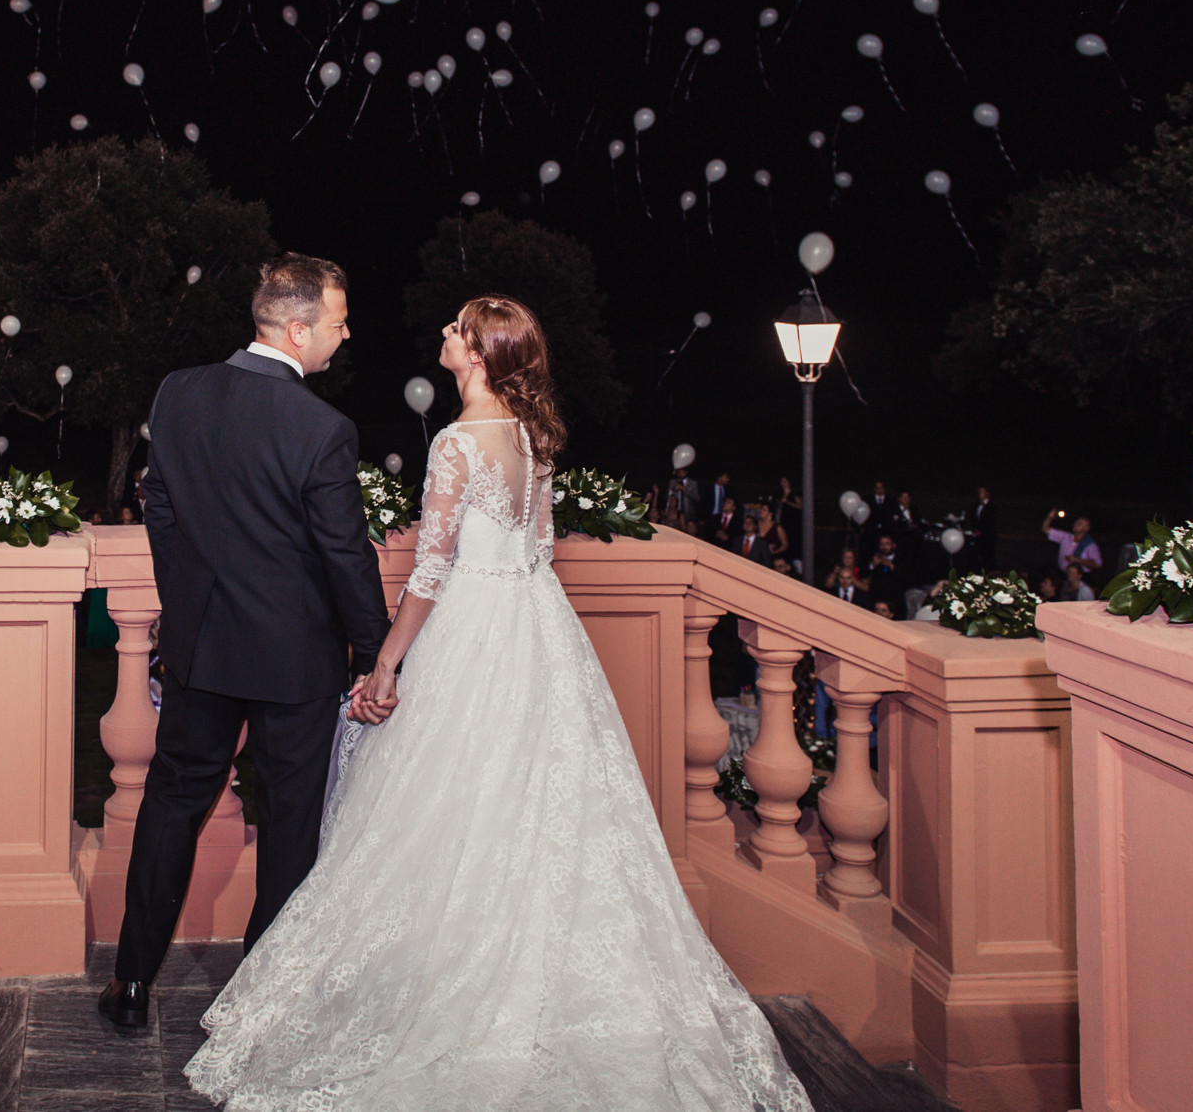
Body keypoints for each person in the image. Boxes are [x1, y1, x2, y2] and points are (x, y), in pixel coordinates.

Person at [183, 294, 812, 1111]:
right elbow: (540, 549)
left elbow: (432, 573)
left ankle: (456, 984)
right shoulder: (531, 436)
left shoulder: (456, 443)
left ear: (477, 353)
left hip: (472, 627)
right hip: (534, 627)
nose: (441, 335)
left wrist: (386, 664)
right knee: (531, 809)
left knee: (446, 811)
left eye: (454, 330)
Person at [102, 253, 392, 1031]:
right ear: (297, 330)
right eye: (336, 321)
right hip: (294, 661)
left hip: (201, 648)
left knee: (170, 807)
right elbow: (344, 554)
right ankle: (255, 1006)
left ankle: (130, 984)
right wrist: (377, 650)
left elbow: (157, 501)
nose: (344, 333)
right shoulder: (323, 428)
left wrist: (188, 596)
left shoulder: (180, 392)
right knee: (290, 827)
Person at [1042, 508, 1102, 575]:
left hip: (1080, 578)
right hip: (1063, 574)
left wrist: (1077, 560)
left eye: (1079, 524)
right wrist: (1050, 517)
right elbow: (1046, 530)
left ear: (1086, 528)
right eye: (1076, 522)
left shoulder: (1090, 545)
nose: (1075, 525)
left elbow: (1097, 564)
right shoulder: (1066, 537)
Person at [659, 464, 701, 535]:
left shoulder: (692, 483)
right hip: (675, 512)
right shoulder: (672, 482)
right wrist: (673, 489)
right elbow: (667, 497)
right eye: (679, 472)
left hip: (688, 512)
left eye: (683, 472)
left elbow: (697, 498)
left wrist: (686, 491)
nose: (681, 474)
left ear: (686, 472)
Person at [970, 486, 1000, 570]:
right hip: (978, 536)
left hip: (988, 537)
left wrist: (982, 531)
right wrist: (975, 530)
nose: (979, 494)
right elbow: (974, 520)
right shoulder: (976, 505)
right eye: (979, 492)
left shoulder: (993, 507)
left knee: (989, 557)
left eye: (982, 492)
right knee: (978, 557)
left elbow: (991, 522)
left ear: (987, 493)